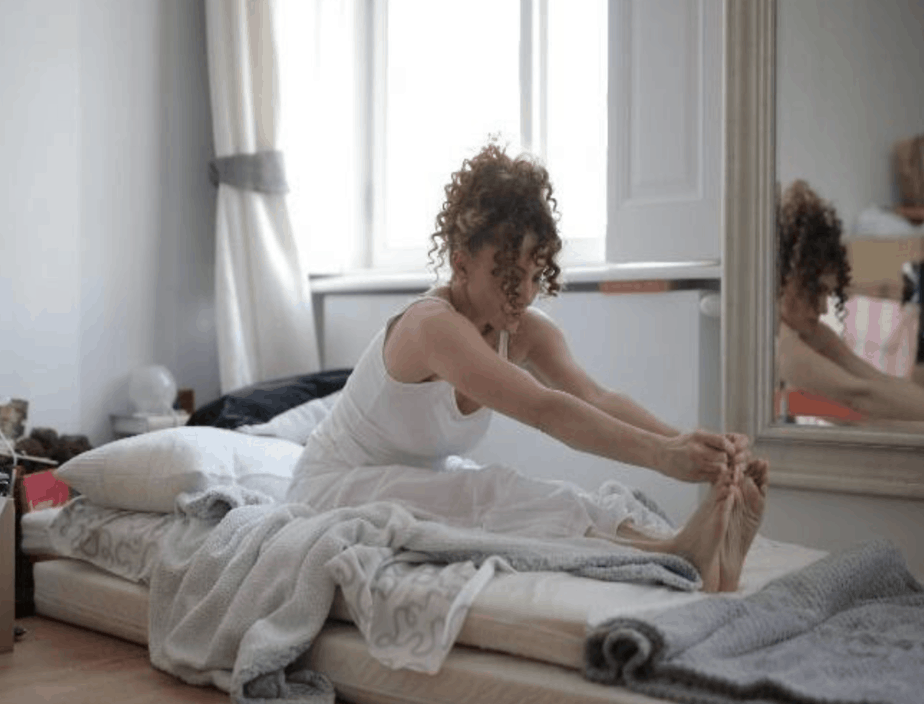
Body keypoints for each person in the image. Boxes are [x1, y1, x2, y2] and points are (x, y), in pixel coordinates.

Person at [288, 142, 767, 592]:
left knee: (526, 494)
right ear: (460, 265)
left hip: (401, 481)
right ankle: (672, 552)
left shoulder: (523, 330)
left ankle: (677, 547)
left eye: (535, 275)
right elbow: (544, 409)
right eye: (508, 276)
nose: (525, 293)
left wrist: (690, 449)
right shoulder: (431, 327)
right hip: (331, 490)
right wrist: (662, 458)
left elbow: (595, 398)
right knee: (492, 491)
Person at [776, 179, 924, 426]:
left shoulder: (809, 333)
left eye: (827, 294)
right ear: (786, 278)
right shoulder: (778, 343)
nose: (823, 308)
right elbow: (858, 396)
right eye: (817, 291)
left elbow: (878, 382)